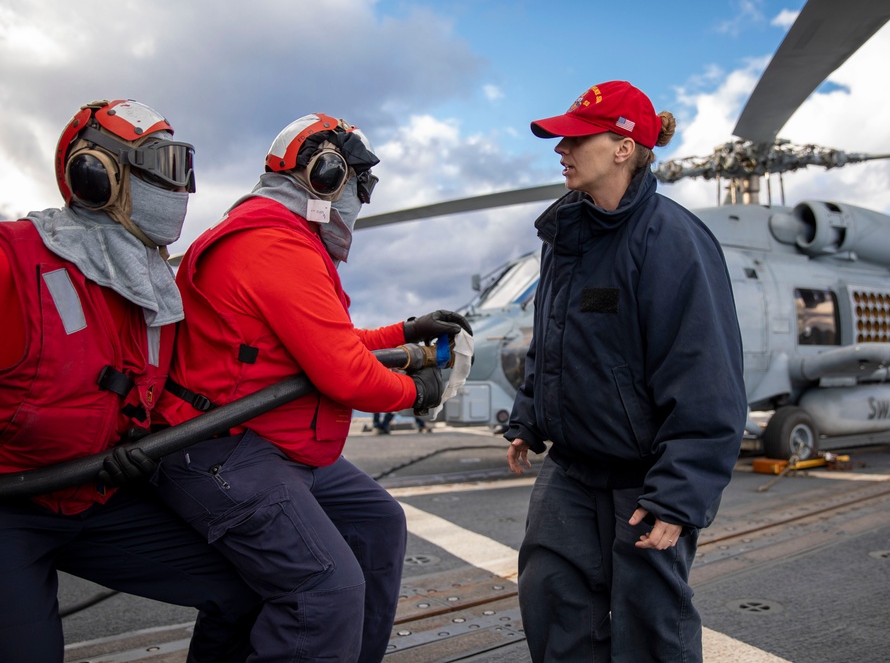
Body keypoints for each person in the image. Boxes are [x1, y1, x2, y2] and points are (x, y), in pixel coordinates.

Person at [151, 112, 472, 663]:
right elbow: (344, 371)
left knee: (376, 522)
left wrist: (405, 332)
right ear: (324, 176)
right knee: (326, 590)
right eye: (358, 189)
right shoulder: (274, 245)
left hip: (264, 444)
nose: (357, 206)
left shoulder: (282, 238)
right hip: (223, 449)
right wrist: (419, 392)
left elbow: (327, 338)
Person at [0, 99, 259, 662]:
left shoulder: (154, 288)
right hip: (12, 505)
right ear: (93, 174)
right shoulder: (14, 259)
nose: (178, 189)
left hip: (99, 499)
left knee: (247, 589)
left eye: (180, 168)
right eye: (158, 167)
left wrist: (143, 444)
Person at [505, 81, 746, 662]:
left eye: (575, 139)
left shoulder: (673, 240)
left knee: (650, 625)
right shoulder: (568, 235)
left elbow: (706, 373)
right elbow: (554, 336)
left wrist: (679, 495)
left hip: (645, 477)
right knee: (552, 600)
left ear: (622, 147)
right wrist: (528, 418)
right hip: (572, 466)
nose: (560, 150)